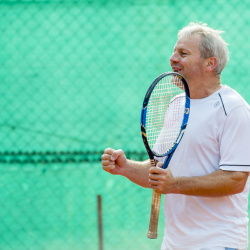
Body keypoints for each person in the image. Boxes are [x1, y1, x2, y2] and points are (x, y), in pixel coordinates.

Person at [101, 22, 250, 250]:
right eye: (174, 51)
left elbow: (235, 179)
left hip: (219, 243)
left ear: (210, 63)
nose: (172, 58)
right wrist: (125, 167)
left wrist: (175, 185)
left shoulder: (234, 109)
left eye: (183, 53)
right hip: (173, 244)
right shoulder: (177, 104)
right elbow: (160, 171)